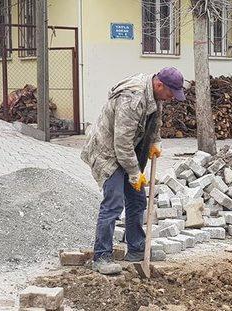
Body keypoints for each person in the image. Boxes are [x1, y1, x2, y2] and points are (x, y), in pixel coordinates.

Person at [80, 67, 186, 275]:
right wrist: (134, 172)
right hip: (107, 152)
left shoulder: (156, 96)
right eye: (171, 93)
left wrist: (155, 141)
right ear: (159, 85)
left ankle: (137, 248)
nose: (172, 98)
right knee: (113, 202)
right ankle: (101, 256)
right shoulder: (132, 99)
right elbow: (122, 143)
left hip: (127, 152)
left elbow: (155, 122)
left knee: (137, 200)